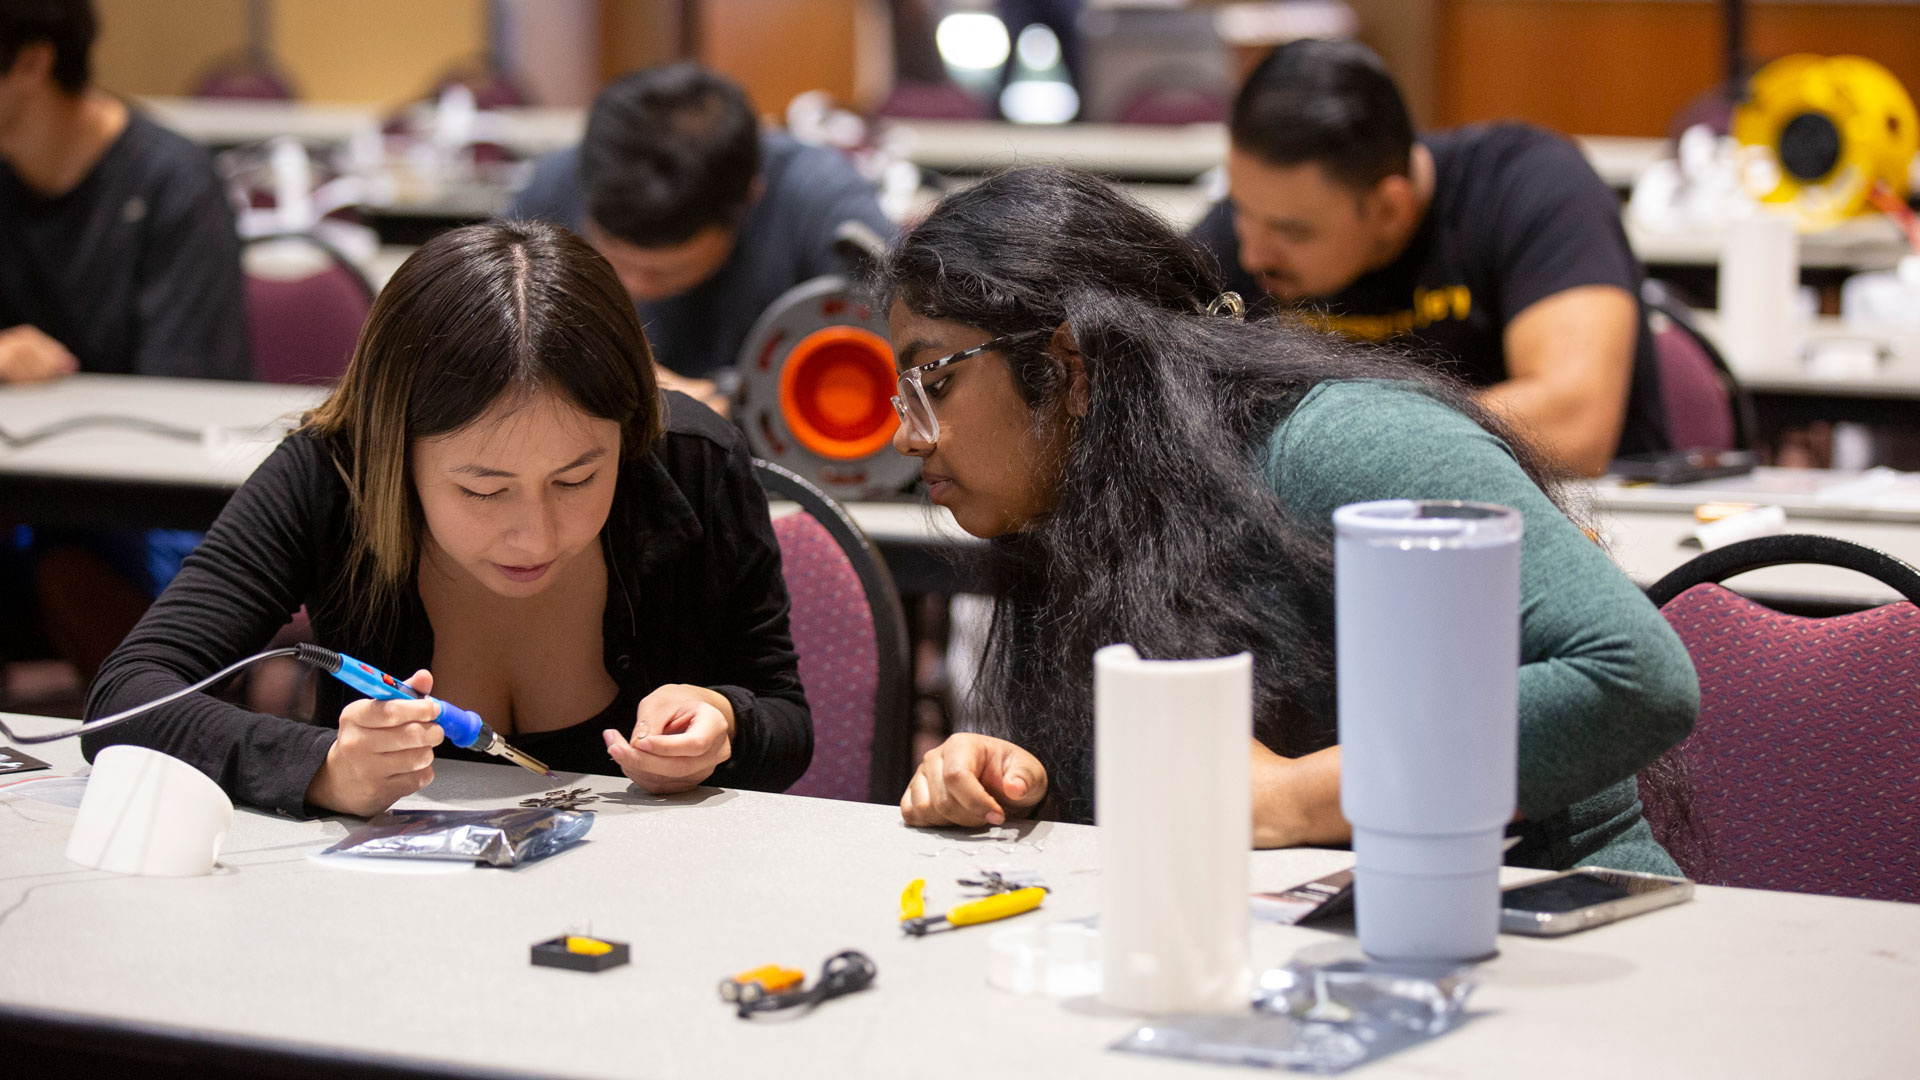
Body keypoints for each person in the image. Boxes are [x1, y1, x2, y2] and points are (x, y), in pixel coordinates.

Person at [879, 167, 1697, 873]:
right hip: (1314, 947)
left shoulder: (1340, 443)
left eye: (933, 382)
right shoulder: (1084, 505)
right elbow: (1201, 797)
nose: (906, 435)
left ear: (1069, 369)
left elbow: (1634, 678)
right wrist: (1023, 780)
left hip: (1550, 917)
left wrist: (1299, 798)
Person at [84, 222, 810, 817]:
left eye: (578, 478)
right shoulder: (331, 474)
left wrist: (726, 723)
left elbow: (785, 716)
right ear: (396, 451)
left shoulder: (691, 463)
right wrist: (322, 769)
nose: (536, 534)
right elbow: (129, 697)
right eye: (483, 489)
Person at [1188, 39, 1668, 477]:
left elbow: (1573, 424)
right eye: (1241, 211)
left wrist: (1334, 435)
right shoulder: (1268, 211)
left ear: (1390, 210)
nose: (1252, 253)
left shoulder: (1534, 189)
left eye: (1293, 232)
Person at [0, 0, 250, 686]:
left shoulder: (171, 184)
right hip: (32, 496)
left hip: (151, 516)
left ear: (30, 62)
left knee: (64, 557)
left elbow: (184, 410)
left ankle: (164, 730)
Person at [507, 62, 895, 412]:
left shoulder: (818, 199)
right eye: (615, 263)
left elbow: (907, 362)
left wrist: (737, 406)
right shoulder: (554, 189)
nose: (632, 286)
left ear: (748, 198)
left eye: (662, 273)